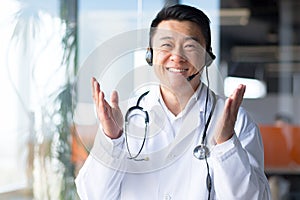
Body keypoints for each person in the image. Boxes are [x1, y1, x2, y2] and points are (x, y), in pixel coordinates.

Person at [75, 4, 271, 199]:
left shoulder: (236, 122)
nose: (177, 57)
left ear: (207, 56)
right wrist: (112, 138)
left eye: (190, 46)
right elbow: (92, 195)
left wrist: (226, 143)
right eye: (166, 45)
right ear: (150, 53)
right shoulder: (124, 118)